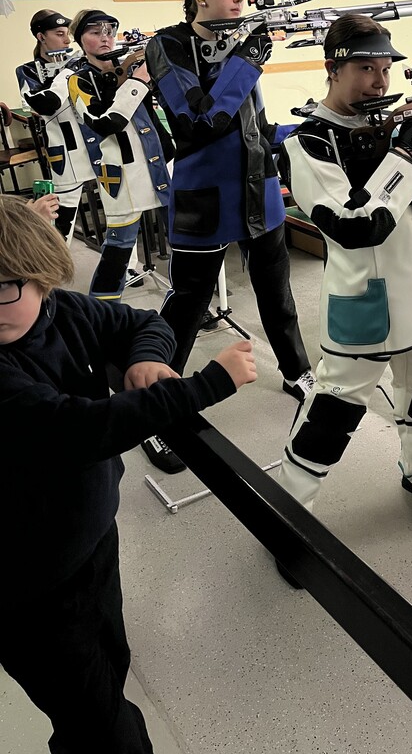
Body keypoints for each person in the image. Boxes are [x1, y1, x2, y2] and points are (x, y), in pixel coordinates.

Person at [0, 193, 257, 754]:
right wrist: (208, 384)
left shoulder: (63, 312)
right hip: (27, 589)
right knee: (102, 727)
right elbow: (80, 428)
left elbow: (143, 322)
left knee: (109, 672)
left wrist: (145, 358)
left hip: (91, 542)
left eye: (3, 287)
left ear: (42, 276)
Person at [273, 13, 412, 562]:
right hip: (366, 308)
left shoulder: (393, 127)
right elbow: (356, 225)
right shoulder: (307, 143)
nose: (379, 81)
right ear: (332, 68)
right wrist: (403, 157)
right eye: (365, 68)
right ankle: (290, 515)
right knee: (333, 415)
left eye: (385, 69)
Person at [145, 0, 312, 396]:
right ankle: (157, 393)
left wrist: (315, 125)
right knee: (188, 302)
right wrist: (248, 61)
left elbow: (257, 128)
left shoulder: (238, 48)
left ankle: (296, 371)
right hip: (204, 197)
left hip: (261, 191)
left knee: (278, 296)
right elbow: (197, 123)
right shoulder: (167, 45)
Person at [65, 9, 171, 303]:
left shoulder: (130, 67)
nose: (105, 38)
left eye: (109, 31)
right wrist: (138, 81)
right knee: (119, 246)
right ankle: (103, 310)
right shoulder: (78, 80)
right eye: (95, 32)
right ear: (80, 39)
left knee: (181, 238)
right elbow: (104, 123)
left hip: (163, 160)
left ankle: (190, 302)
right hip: (122, 171)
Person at [15, 9, 94, 243]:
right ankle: (52, 262)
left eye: (67, 34)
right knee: (60, 223)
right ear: (41, 37)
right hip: (66, 153)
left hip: (100, 146)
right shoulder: (28, 71)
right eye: (59, 34)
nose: (67, 40)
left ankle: (127, 264)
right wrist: (68, 73)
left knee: (119, 217)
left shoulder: (83, 63)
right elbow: (46, 104)